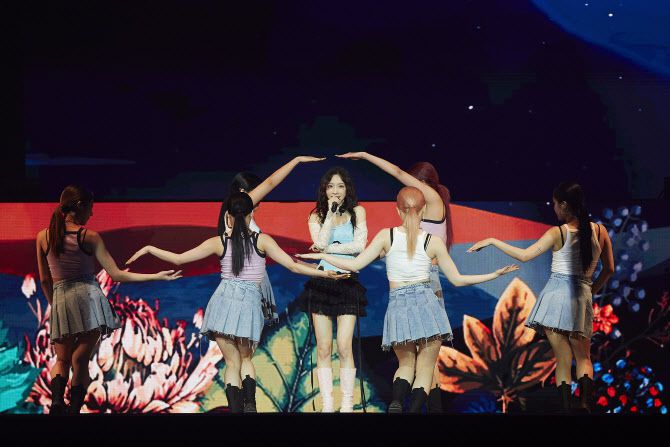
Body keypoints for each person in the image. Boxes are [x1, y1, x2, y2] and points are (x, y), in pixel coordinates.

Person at [298, 186, 517, 412]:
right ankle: (412, 410)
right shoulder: (433, 241)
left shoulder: (387, 236)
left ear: (398, 210)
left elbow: (354, 265)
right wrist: (493, 274)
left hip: (398, 306)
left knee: (405, 365)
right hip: (427, 305)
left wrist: (322, 255)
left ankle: (396, 401)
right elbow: (457, 280)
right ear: (423, 211)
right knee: (425, 369)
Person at [467, 181, 614, 413]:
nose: (553, 208)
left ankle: (566, 408)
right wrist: (590, 291)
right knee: (584, 358)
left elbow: (525, 255)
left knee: (562, 358)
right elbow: (609, 269)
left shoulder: (558, 233)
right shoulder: (600, 231)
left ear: (564, 205)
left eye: (554, 204)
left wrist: (493, 241)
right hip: (581, 297)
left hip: (556, 298)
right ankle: (586, 404)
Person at [36, 185, 182, 414]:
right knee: (80, 360)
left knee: (61, 360)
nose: (92, 213)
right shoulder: (89, 237)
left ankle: (56, 401)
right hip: (88, 300)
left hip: (61, 299)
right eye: (90, 208)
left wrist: (55, 306)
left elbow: (45, 280)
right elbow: (117, 274)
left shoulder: (43, 237)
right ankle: (74, 409)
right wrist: (156, 276)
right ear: (80, 206)